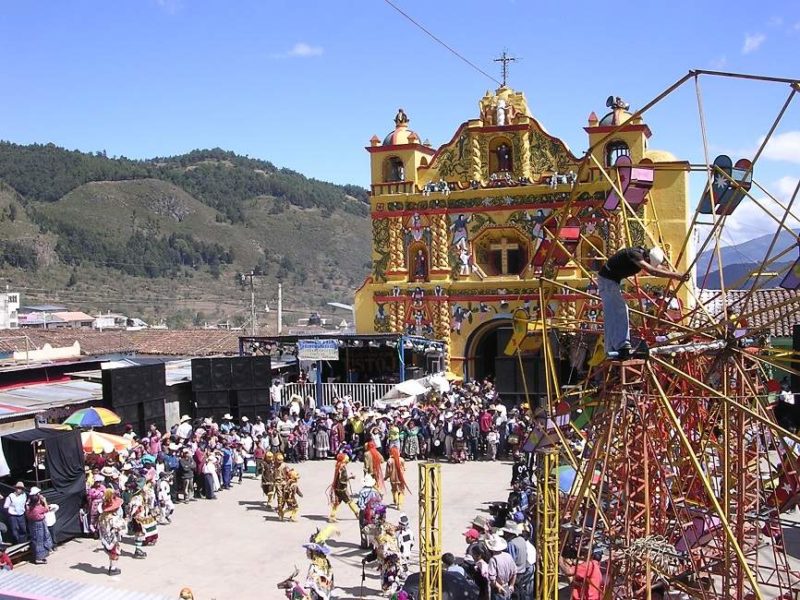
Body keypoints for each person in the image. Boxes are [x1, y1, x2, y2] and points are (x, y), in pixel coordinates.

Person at [597, 246, 688, 359]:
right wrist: (677, 276)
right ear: (647, 258)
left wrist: (678, 275)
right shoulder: (635, 254)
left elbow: (658, 268)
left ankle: (611, 348)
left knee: (612, 314)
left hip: (611, 282)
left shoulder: (644, 256)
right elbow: (652, 270)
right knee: (620, 310)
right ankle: (622, 346)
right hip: (607, 281)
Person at [97, 490, 124, 576]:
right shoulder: (113, 518)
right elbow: (121, 528)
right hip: (112, 538)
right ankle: (112, 569)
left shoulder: (102, 517)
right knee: (114, 553)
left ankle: (112, 567)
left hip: (106, 537)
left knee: (112, 552)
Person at [328, 453, 358, 522]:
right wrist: (351, 477)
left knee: (337, 502)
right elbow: (343, 479)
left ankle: (332, 516)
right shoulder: (342, 467)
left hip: (337, 488)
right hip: (342, 489)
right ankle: (357, 513)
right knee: (349, 501)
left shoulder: (338, 466)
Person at [486, 533, 516, 599]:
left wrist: (499, 587)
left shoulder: (493, 560)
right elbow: (514, 572)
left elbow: (492, 579)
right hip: (507, 586)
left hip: (498, 589)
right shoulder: (508, 556)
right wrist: (512, 585)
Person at [25, 487, 50, 564]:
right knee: (40, 540)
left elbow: (28, 504)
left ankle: (37, 556)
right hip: (39, 523)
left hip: (32, 524)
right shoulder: (37, 508)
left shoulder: (29, 507)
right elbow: (47, 509)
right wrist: (44, 501)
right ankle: (39, 558)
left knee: (35, 539)